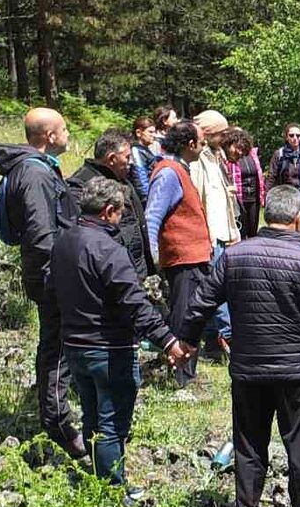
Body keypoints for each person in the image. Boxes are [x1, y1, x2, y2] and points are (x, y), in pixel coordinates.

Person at [179, 186, 300, 507]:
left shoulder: (232, 256)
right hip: (295, 373)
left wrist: (185, 341)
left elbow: (201, 303)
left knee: (248, 446)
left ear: (266, 216)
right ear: (297, 219)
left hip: (248, 370)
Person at [48, 178, 191, 488]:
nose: (122, 217)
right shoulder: (108, 249)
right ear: (108, 211)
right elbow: (134, 302)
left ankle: (100, 483)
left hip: (74, 345)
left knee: (91, 416)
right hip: (109, 348)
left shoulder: (63, 240)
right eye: (121, 212)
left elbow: (52, 289)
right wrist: (168, 340)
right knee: (112, 424)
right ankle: (113, 491)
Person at [0, 107, 82, 456]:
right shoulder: (35, 174)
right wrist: (63, 274)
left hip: (50, 272)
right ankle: (58, 424)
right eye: (64, 128)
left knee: (57, 345)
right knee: (57, 348)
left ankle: (57, 415)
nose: (68, 134)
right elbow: (42, 233)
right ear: (50, 136)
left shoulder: (35, 169)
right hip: (52, 276)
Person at [145, 119, 214, 386]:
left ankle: (186, 373)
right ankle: (180, 377)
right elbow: (153, 217)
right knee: (184, 317)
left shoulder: (179, 169)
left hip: (193, 257)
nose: (203, 146)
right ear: (189, 144)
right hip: (182, 259)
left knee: (193, 315)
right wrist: (153, 261)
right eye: (201, 141)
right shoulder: (168, 173)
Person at [67, 129, 153, 282]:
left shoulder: (122, 179)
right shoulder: (82, 187)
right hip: (111, 276)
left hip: (135, 272)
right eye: (127, 157)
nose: (131, 162)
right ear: (112, 158)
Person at [190, 111, 240, 355]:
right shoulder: (197, 161)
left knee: (216, 288)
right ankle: (229, 337)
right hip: (209, 236)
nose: (224, 138)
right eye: (221, 134)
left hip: (222, 233)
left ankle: (212, 344)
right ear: (208, 133)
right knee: (216, 289)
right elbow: (197, 200)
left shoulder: (215, 157)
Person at [267, 124, 300, 244]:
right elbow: (272, 177)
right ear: (286, 137)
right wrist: (267, 197)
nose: (295, 138)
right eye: (291, 135)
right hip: (286, 198)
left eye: (298, 135)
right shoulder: (279, 155)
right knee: (287, 230)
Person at [222, 128, 265, 238]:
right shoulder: (225, 158)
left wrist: (262, 194)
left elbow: (259, 175)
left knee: (252, 231)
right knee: (240, 229)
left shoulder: (252, 154)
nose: (240, 153)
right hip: (237, 197)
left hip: (253, 197)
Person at [127, 116, 155, 202]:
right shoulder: (136, 151)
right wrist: (148, 199)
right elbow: (140, 175)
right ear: (139, 133)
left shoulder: (144, 150)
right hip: (144, 199)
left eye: (154, 132)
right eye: (150, 132)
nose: (154, 135)